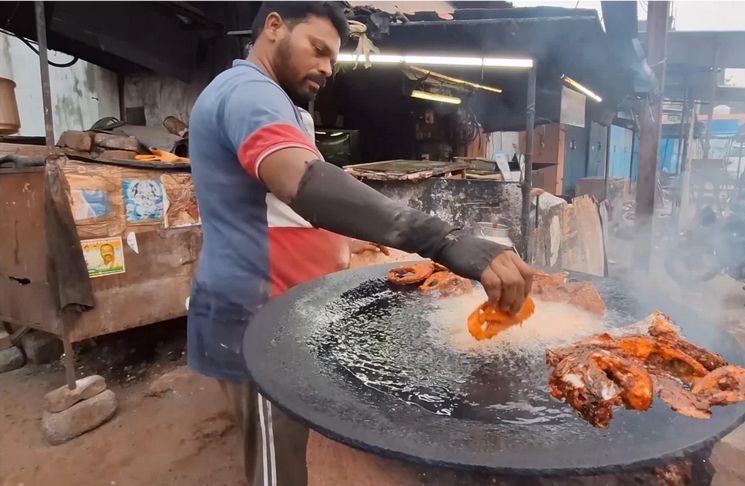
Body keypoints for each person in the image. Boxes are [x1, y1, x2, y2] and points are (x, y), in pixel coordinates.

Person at [187, 2, 534, 485]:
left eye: (333, 57)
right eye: (318, 49)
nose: (328, 68)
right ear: (272, 28)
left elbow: (288, 213)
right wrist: (444, 239)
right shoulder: (248, 93)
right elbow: (305, 184)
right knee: (277, 470)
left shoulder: (278, 102)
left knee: (292, 450)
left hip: (284, 310)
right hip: (254, 317)